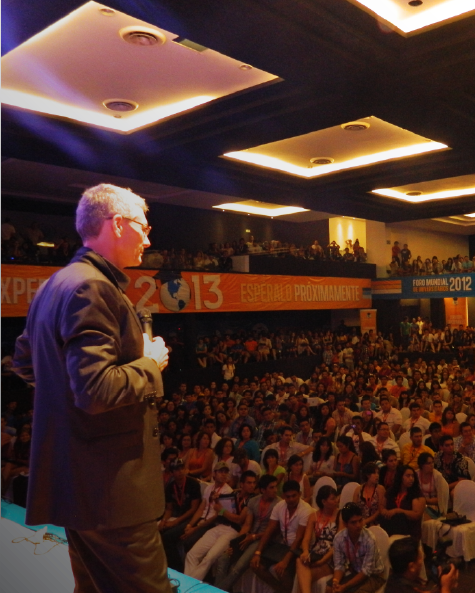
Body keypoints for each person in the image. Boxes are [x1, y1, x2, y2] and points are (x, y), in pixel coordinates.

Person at [12, 184, 171, 593]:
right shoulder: (93, 287)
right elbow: (96, 390)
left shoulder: (55, 283)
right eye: (143, 227)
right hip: (109, 491)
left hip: (78, 484)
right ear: (117, 224)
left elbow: (25, 363)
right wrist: (150, 363)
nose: (148, 239)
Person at [214, 474, 281, 592]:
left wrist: (254, 537)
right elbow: (247, 525)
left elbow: (273, 531)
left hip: (264, 540)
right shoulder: (254, 501)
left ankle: (215, 591)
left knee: (237, 568)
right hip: (250, 536)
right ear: (263, 490)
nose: (275, 490)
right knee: (223, 559)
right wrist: (235, 544)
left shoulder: (279, 504)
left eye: (276, 487)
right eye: (271, 487)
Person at [251, 480, 314, 593]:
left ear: (300, 494)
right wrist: (258, 552)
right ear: (283, 496)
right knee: (255, 565)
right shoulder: (279, 506)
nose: (291, 499)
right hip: (282, 546)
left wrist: (285, 561)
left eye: (294, 496)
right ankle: (280, 590)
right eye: (288, 497)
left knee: (282, 572)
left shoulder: (306, 509)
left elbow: (299, 538)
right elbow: (269, 530)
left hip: (297, 549)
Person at [327, 502, 385, 593]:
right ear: (345, 524)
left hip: (374, 576)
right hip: (355, 571)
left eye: (360, 520)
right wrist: (336, 582)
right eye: (353, 522)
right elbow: (339, 565)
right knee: (330, 589)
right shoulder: (339, 538)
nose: (358, 525)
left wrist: (345, 586)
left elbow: (366, 572)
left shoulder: (369, 539)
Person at [296, 485, 341, 593]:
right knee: (299, 561)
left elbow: (338, 544)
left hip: (332, 556)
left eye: (336, 497)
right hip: (316, 553)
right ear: (324, 501)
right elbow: (306, 540)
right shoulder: (314, 516)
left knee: (303, 578)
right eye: (333, 499)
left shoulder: (340, 515)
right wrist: (305, 552)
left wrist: (322, 561)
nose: (336, 501)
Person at [160, 459, 202, 571]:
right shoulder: (170, 487)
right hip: (177, 515)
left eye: (182, 468)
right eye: (177, 469)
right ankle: (164, 565)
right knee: (159, 530)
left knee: (168, 536)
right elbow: (169, 508)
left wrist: (175, 522)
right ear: (172, 472)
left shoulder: (193, 484)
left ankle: (177, 568)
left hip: (191, 518)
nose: (180, 471)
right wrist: (164, 520)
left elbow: (194, 509)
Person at [386, 537, 458, 593]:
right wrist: (446, 588)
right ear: (411, 567)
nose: (423, 559)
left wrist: (439, 589)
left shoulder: (392, 581)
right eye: (420, 558)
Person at [381, 465, 426, 540]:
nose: (411, 479)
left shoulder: (416, 493)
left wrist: (398, 511)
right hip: (391, 528)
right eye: (408, 476)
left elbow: (416, 514)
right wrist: (384, 511)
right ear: (400, 477)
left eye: (412, 476)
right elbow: (382, 506)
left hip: (409, 531)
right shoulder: (391, 491)